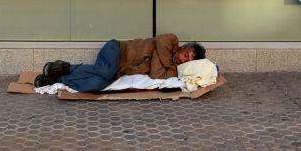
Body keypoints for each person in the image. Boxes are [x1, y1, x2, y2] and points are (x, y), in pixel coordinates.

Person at [34, 33, 205, 92]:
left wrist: (162, 62)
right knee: (106, 72)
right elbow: (160, 43)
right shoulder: (171, 40)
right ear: (183, 48)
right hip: (116, 49)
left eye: (188, 60)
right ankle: (68, 67)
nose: (184, 59)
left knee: (98, 83)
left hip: (118, 69)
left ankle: (58, 77)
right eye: (186, 54)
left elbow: (155, 74)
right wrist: (164, 62)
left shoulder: (172, 71)